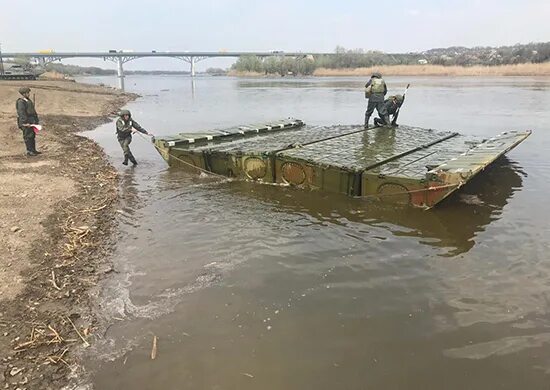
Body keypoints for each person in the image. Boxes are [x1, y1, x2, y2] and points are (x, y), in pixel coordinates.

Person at [16, 86, 41, 156]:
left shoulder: (28, 100)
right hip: (26, 121)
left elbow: (33, 111)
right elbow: (22, 113)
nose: (29, 94)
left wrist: (36, 120)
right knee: (28, 136)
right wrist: (25, 122)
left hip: (31, 121)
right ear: (23, 94)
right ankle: (29, 151)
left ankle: (33, 150)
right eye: (27, 93)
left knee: (32, 136)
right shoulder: (21, 101)